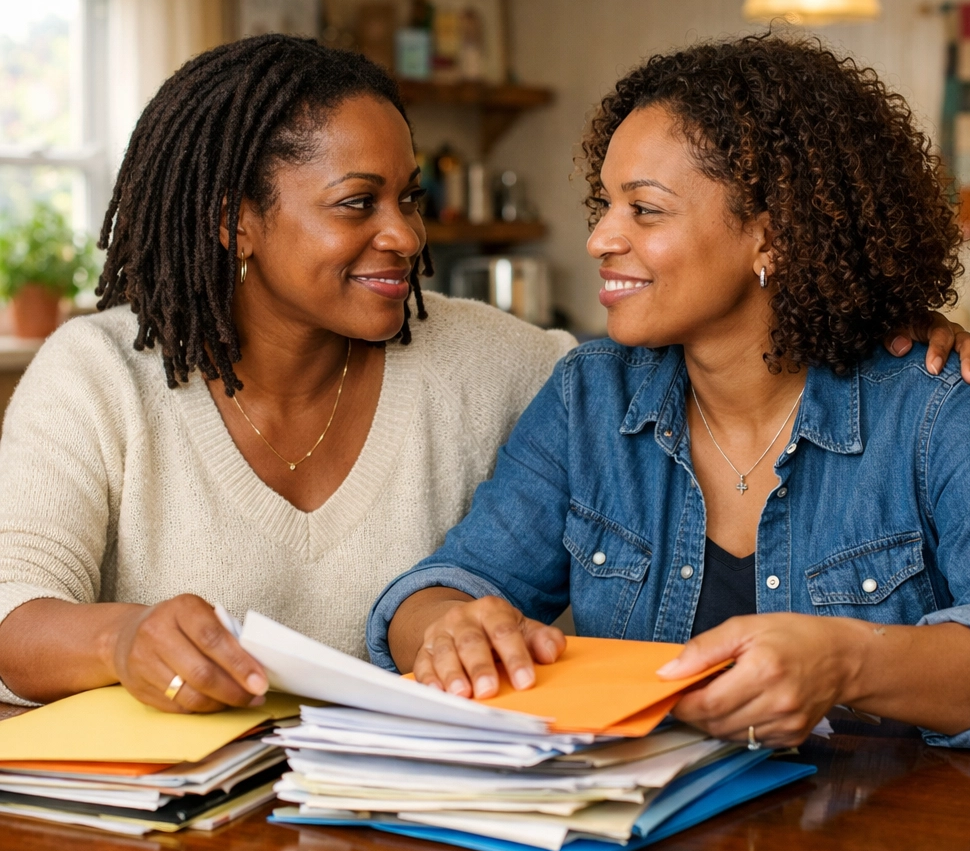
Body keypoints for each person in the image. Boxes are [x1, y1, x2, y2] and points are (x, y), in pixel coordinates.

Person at [373, 35, 970, 750]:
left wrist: (845, 662)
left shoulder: (940, 408)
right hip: (645, 842)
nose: (598, 238)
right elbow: (449, 584)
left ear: (771, 238)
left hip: (891, 844)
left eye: (644, 211)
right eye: (604, 204)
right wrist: (448, 627)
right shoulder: (588, 396)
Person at [0, 35, 574, 712]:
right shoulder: (98, 374)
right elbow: (14, 619)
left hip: (406, 801)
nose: (406, 236)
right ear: (234, 221)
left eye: (409, 199)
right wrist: (121, 639)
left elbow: (638, 394)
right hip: (185, 809)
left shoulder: (488, 360)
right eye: (358, 203)